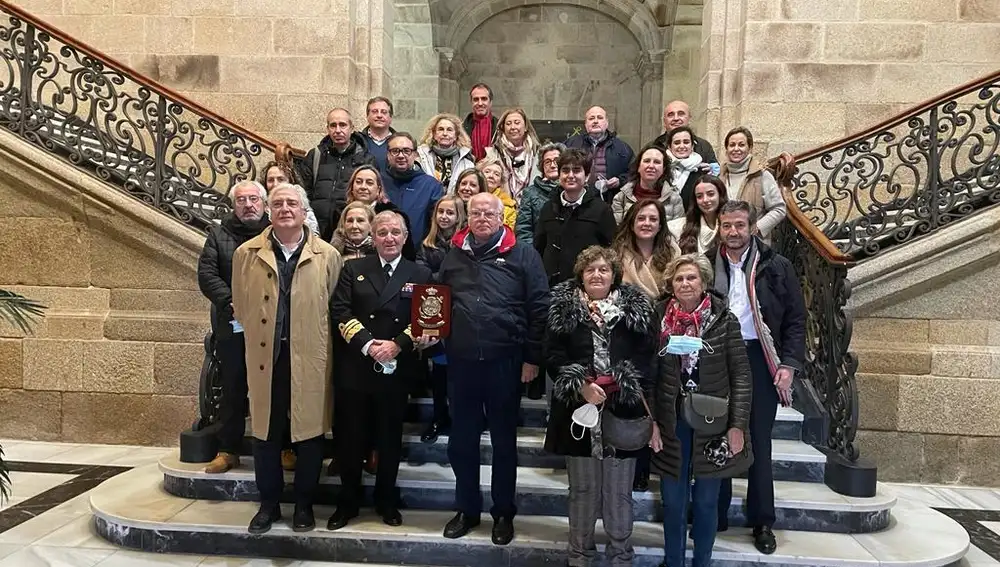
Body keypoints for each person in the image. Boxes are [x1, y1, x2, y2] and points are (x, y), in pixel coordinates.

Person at [437, 193, 549, 546]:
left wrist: (532, 358)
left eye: (490, 212)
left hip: (507, 361)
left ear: (503, 218)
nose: (483, 217)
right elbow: (437, 302)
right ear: (466, 217)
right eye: (476, 212)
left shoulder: (523, 254)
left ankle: (503, 512)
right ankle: (467, 509)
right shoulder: (453, 255)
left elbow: (540, 307)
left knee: (503, 442)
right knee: (461, 442)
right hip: (462, 362)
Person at [231, 183, 344, 534]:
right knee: (266, 434)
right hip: (267, 358)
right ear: (268, 210)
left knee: (308, 435)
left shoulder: (327, 255)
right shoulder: (246, 253)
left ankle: (304, 506)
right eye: (277, 203)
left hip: (310, 359)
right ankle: (268, 505)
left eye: (291, 203)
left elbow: (335, 310)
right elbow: (241, 305)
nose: (284, 209)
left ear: (303, 209)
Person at [544, 245, 657, 567]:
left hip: (622, 410)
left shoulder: (635, 308)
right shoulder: (563, 308)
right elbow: (551, 354)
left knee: (618, 494)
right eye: (590, 269)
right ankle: (579, 557)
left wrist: (622, 380)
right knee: (582, 491)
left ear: (614, 275)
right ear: (581, 274)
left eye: (603, 269)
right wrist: (580, 385)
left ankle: (621, 558)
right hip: (577, 414)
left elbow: (647, 353)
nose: (597, 274)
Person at [327, 210, 434, 530]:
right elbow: (340, 311)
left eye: (395, 233)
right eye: (383, 232)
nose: (389, 238)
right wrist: (369, 344)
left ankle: (386, 501)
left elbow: (428, 318)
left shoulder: (421, 273)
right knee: (351, 439)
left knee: (389, 439)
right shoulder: (353, 268)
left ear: (405, 237)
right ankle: (348, 502)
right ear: (373, 237)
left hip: (396, 368)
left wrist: (398, 343)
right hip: (357, 366)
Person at [714, 200, 805, 555]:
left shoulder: (776, 267)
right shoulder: (707, 264)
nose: (733, 232)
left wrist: (789, 364)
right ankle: (715, 511)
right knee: (718, 433)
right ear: (719, 228)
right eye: (726, 225)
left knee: (758, 441)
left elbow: (797, 319)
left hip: (759, 355)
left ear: (753, 227)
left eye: (739, 225)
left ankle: (762, 520)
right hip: (717, 356)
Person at [652, 253, 752, 567]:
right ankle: (673, 562)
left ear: (704, 282)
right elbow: (647, 374)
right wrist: (651, 422)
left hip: (715, 420)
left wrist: (737, 425)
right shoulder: (657, 319)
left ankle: (702, 562)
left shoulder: (724, 319)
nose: (685, 284)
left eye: (691, 277)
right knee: (673, 501)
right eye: (679, 278)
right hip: (671, 419)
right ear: (670, 284)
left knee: (707, 502)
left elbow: (741, 375)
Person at [199, 180, 270, 475]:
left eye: (254, 199)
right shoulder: (218, 234)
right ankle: (228, 449)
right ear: (233, 205)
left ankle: (283, 446)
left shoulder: (275, 233)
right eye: (242, 200)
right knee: (232, 385)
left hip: (271, 323)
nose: (248, 205)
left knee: (275, 385)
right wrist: (234, 303)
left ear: (264, 203)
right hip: (233, 323)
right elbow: (207, 274)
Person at [415, 196, 467, 443]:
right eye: (441, 212)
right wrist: (444, 278)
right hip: (434, 315)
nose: (445, 217)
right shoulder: (426, 245)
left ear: (459, 217)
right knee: (439, 370)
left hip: (461, 316)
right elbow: (422, 275)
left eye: (450, 213)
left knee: (461, 374)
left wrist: (442, 277)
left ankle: (461, 419)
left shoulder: (465, 245)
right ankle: (438, 416)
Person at [535, 149, 616, 286]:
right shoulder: (548, 208)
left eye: (577, 170)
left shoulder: (601, 210)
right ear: (559, 175)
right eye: (565, 170)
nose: (570, 175)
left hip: (587, 285)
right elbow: (539, 247)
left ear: (587, 176)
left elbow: (611, 250)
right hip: (551, 285)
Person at [299, 108, 375, 240]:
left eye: (343, 125)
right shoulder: (315, 155)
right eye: (333, 125)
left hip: (349, 230)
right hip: (315, 229)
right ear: (327, 128)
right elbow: (304, 192)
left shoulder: (365, 159)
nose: (338, 130)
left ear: (351, 128)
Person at [718, 127, 787, 242]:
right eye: (732, 145)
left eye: (741, 145)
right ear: (726, 149)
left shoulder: (762, 176)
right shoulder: (719, 177)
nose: (736, 149)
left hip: (755, 243)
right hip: (726, 243)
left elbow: (779, 209)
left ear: (749, 148)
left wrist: (757, 228)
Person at [381, 132, 445, 250]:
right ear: (388, 155)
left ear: (415, 154)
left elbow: (437, 227)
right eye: (395, 151)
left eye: (406, 151)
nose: (401, 155)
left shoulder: (431, 186)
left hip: (418, 257)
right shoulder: (378, 182)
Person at [346, 165, 417, 263]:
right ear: (352, 187)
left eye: (369, 183)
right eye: (358, 182)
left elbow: (408, 254)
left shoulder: (394, 214)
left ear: (378, 189)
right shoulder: (339, 212)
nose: (363, 187)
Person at [565, 106, 634, 203]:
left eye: (600, 118)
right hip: (576, 200)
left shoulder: (622, 148)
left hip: (610, 201)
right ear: (585, 124)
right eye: (591, 118)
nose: (595, 121)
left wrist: (620, 180)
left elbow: (634, 173)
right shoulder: (571, 144)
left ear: (607, 123)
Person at [611, 144, 684, 224]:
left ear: (663, 169)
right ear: (638, 167)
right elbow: (617, 232)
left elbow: (678, 232)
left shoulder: (675, 199)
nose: (651, 166)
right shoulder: (621, 198)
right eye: (646, 161)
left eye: (657, 162)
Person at [485, 108, 540, 204]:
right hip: (502, 206)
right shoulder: (493, 153)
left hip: (530, 206)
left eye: (517, 122)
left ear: (526, 127)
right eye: (508, 123)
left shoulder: (537, 152)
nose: (513, 127)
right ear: (503, 128)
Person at [515, 142, 564, 246]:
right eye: (547, 162)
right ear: (542, 167)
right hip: (539, 251)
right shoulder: (530, 192)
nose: (552, 165)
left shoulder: (572, 189)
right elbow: (524, 229)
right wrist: (531, 254)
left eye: (557, 160)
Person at [667, 176, 729, 256]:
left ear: (720, 195)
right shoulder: (678, 228)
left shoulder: (732, 226)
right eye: (699, 196)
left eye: (710, 194)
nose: (705, 200)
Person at [417, 113, 476, 194]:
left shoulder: (467, 163)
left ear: (456, 135)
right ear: (434, 134)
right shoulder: (420, 157)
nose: (445, 133)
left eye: (449, 130)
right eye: (440, 129)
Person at [651, 100, 719, 168]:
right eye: (671, 115)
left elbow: (715, 174)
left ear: (689, 119)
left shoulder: (704, 146)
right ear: (664, 121)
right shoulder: (654, 146)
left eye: (681, 114)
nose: (676, 118)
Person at [260, 160, 319, 235]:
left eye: (281, 179)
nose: (275, 184)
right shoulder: (260, 206)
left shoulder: (302, 206)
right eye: (270, 180)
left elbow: (313, 237)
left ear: (290, 181)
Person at [664, 126, 706, 210]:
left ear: (692, 146)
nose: (682, 146)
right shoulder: (661, 169)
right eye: (677, 143)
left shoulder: (702, 172)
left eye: (686, 142)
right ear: (669, 146)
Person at [477, 157, 517, 228]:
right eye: (487, 172)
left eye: (496, 174)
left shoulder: (508, 206)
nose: (491, 176)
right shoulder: (470, 197)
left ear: (500, 182)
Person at [463, 83, 498, 162]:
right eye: (476, 99)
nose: (480, 103)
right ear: (471, 102)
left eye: (484, 99)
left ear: (490, 102)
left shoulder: (500, 128)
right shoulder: (461, 129)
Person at [361, 96, 396, 173]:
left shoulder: (399, 143)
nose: (379, 115)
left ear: (390, 117)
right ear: (367, 116)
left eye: (384, 112)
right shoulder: (358, 141)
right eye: (375, 111)